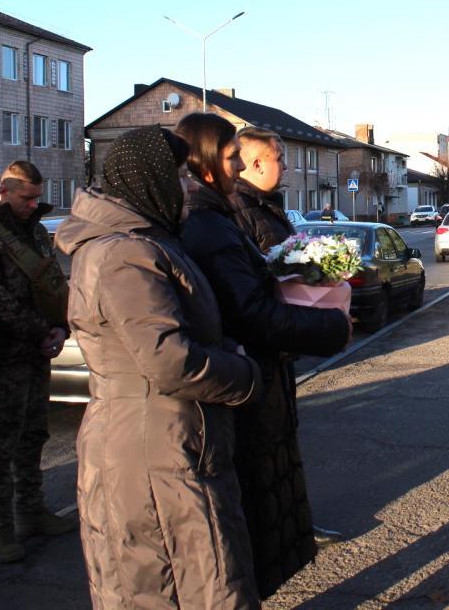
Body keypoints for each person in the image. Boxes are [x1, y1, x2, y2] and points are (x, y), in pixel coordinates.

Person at [55, 125, 262, 609]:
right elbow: (169, 362)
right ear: (150, 180)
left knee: (197, 574)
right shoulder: (125, 253)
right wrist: (245, 374)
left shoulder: (145, 241)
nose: (189, 187)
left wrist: (227, 346)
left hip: (171, 437)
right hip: (153, 447)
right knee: (175, 582)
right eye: (180, 176)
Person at [175, 113, 352, 598]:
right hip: (246, 381)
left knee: (262, 516)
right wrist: (330, 327)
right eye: (232, 158)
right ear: (207, 160)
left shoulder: (224, 216)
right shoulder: (212, 226)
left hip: (260, 374)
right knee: (249, 521)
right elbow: (250, 311)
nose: (239, 169)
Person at [0, 161, 76, 562]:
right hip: (3, 356)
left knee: (33, 436)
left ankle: (31, 510)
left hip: (36, 352)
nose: (33, 204)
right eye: (26, 197)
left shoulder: (38, 231)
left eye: (37, 197)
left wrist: (61, 328)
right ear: (4, 191)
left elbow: (53, 285)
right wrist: (43, 330)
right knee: (0, 443)